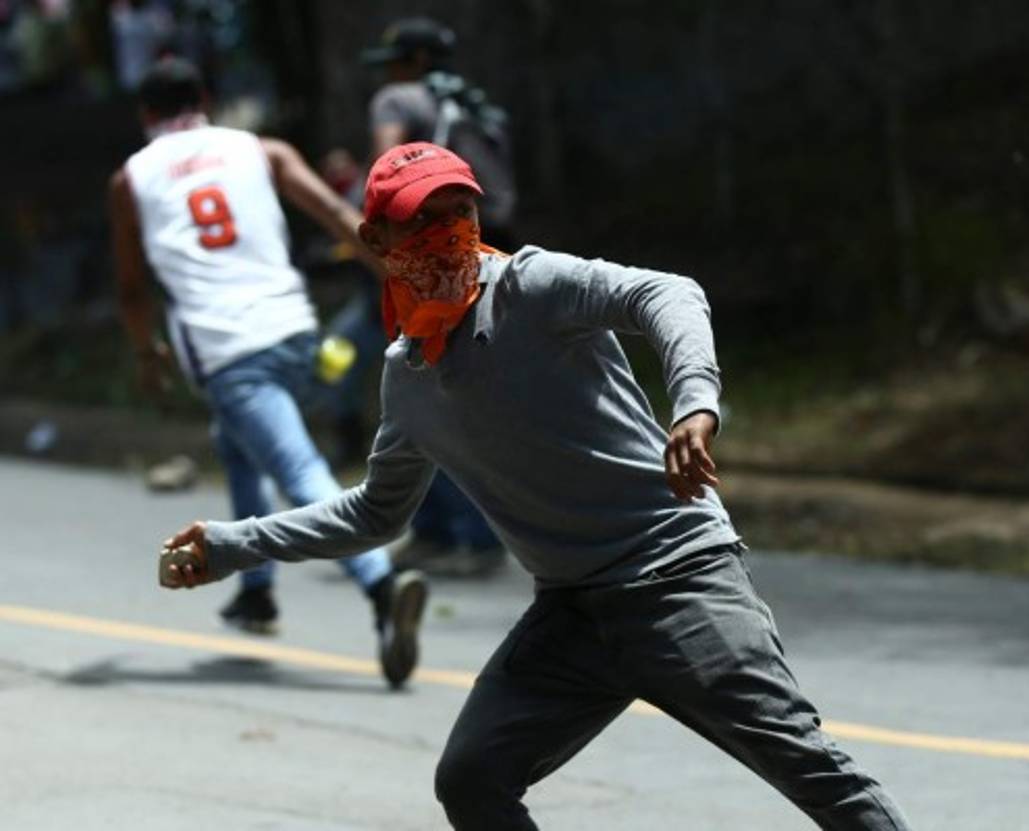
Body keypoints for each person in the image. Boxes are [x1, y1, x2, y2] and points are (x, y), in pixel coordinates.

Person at [160, 142, 914, 830]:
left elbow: (669, 293)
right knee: (472, 778)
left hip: (680, 581)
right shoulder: (408, 377)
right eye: (427, 219)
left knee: (817, 777)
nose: (453, 231)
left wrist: (695, 405)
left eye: (463, 210)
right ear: (378, 242)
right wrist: (232, 545)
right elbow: (373, 512)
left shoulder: (532, 285)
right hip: (573, 616)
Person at [109, 57, 427, 689]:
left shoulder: (131, 179)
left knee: (298, 468)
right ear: (205, 98)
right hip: (295, 334)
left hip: (229, 353)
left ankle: (382, 588)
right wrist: (406, 288)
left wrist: (147, 352)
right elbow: (342, 219)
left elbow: (131, 288)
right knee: (237, 445)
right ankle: (256, 591)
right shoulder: (264, 150)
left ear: (145, 115)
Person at [358, 15, 514, 576]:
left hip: (424, 267)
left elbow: (385, 170)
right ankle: (461, 532)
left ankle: (454, 533)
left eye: (396, 62)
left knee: (416, 394)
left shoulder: (398, 99)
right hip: (484, 261)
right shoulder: (475, 107)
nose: (390, 75)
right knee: (461, 395)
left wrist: (372, 237)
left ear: (416, 63)